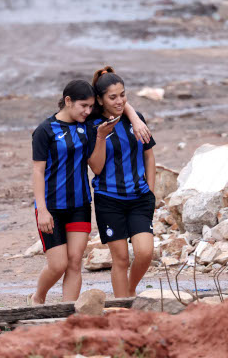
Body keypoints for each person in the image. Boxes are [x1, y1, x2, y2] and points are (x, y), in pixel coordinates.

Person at [28, 79, 108, 305]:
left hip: (80, 205)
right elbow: (37, 171)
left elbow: (97, 166)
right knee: (57, 265)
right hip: (51, 207)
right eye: (83, 105)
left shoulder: (89, 126)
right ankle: (37, 298)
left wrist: (101, 135)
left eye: (91, 106)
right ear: (68, 101)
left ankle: (68, 314)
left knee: (74, 262)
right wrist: (41, 210)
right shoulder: (45, 130)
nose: (88, 111)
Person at [87, 66, 157, 298]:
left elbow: (149, 155)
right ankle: (122, 306)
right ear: (100, 99)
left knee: (145, 253)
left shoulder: (135, 119)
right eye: (113, 97)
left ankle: (130, 289)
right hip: (109, 200)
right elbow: (95, 168)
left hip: (139, 198)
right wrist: (100, 136)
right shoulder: (92, 125)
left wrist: (151, 192)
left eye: (123, 95)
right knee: (121, 259)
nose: (119, 101)